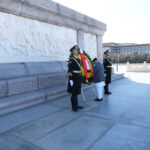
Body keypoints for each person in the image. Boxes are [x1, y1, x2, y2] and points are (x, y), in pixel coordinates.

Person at [67, 45, 83, 112]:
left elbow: (80, 68)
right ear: (73, 52)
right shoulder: (71, 60)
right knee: (73, 93)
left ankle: (76, 104)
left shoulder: (78, 59)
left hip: (78, 78)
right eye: (75, 50)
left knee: (76, 92)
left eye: (77, 50)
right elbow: (70, 70)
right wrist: (70, 79)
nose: (77, 51)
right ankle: (74, 106)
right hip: (73, 78)